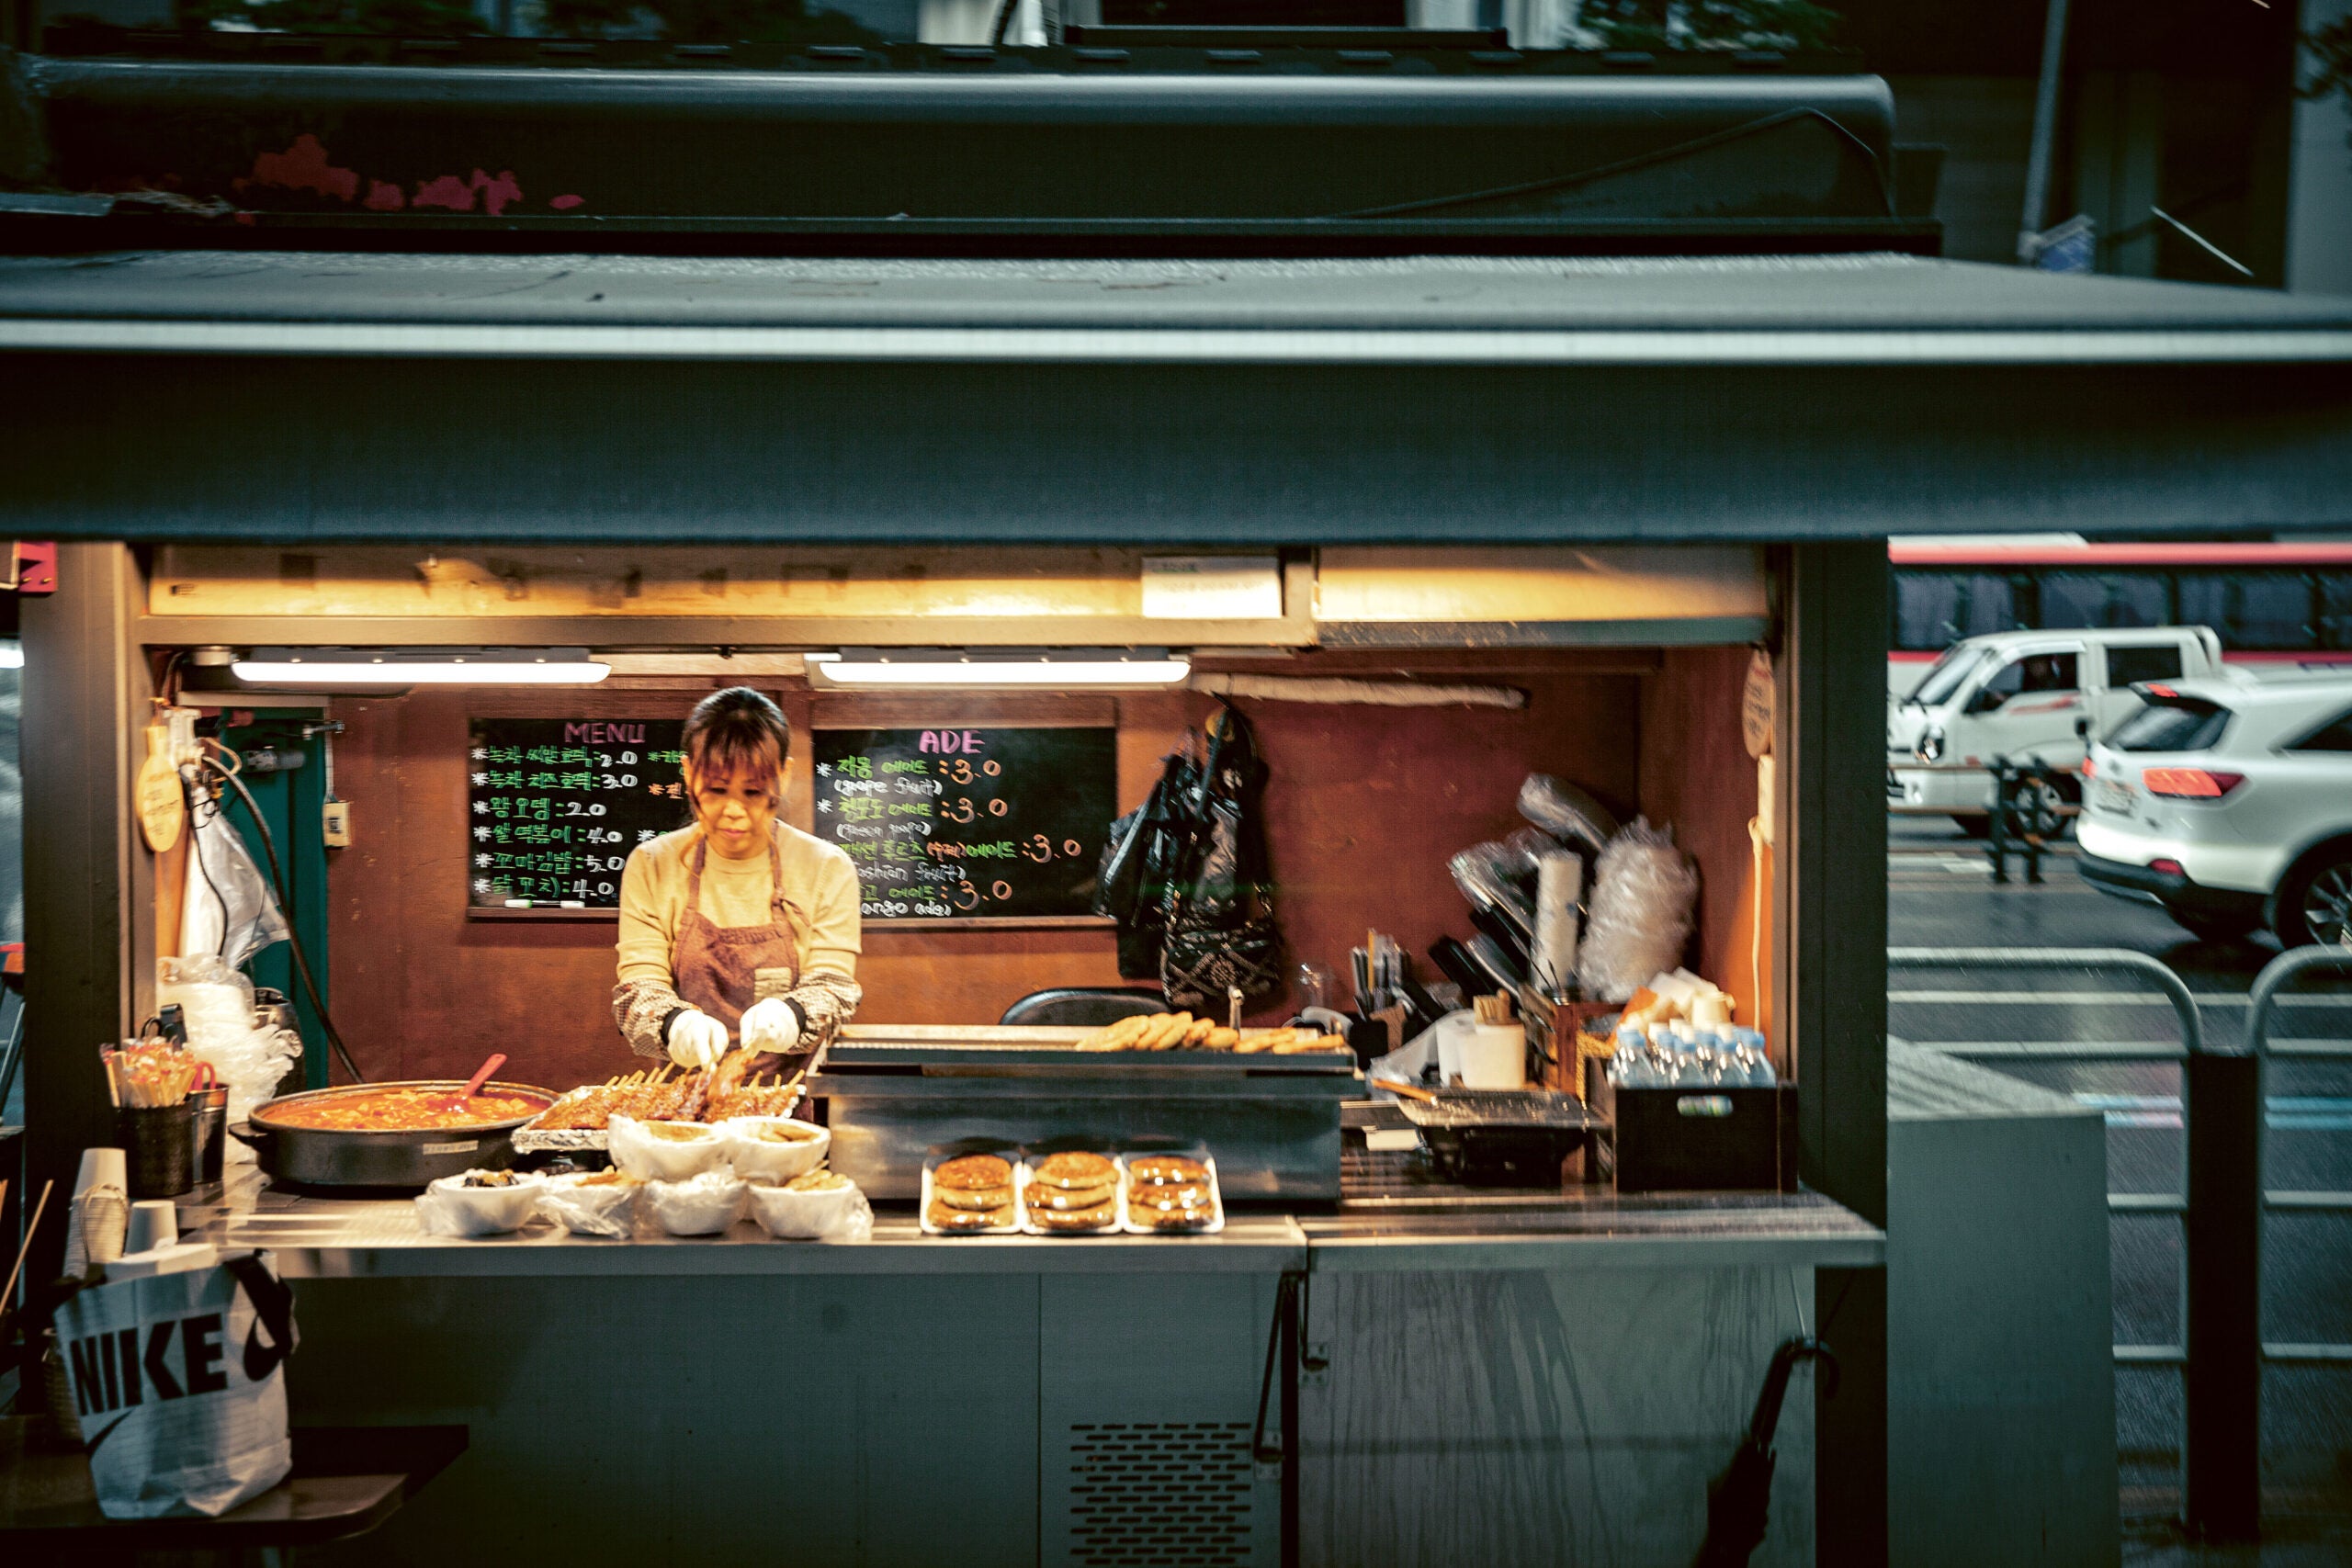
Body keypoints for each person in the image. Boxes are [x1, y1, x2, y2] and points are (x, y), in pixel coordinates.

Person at [612, 687, 862, 1074]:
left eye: (753, 792)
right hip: (679, 1105)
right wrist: (674, 1025)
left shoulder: (826, 867)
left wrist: (791, 1015)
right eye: (715, 790)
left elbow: (834, 989)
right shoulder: (652, 864)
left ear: (784, 775)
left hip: (792, 1104)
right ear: (688, 772)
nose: (733, 811)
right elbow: (637, 991)